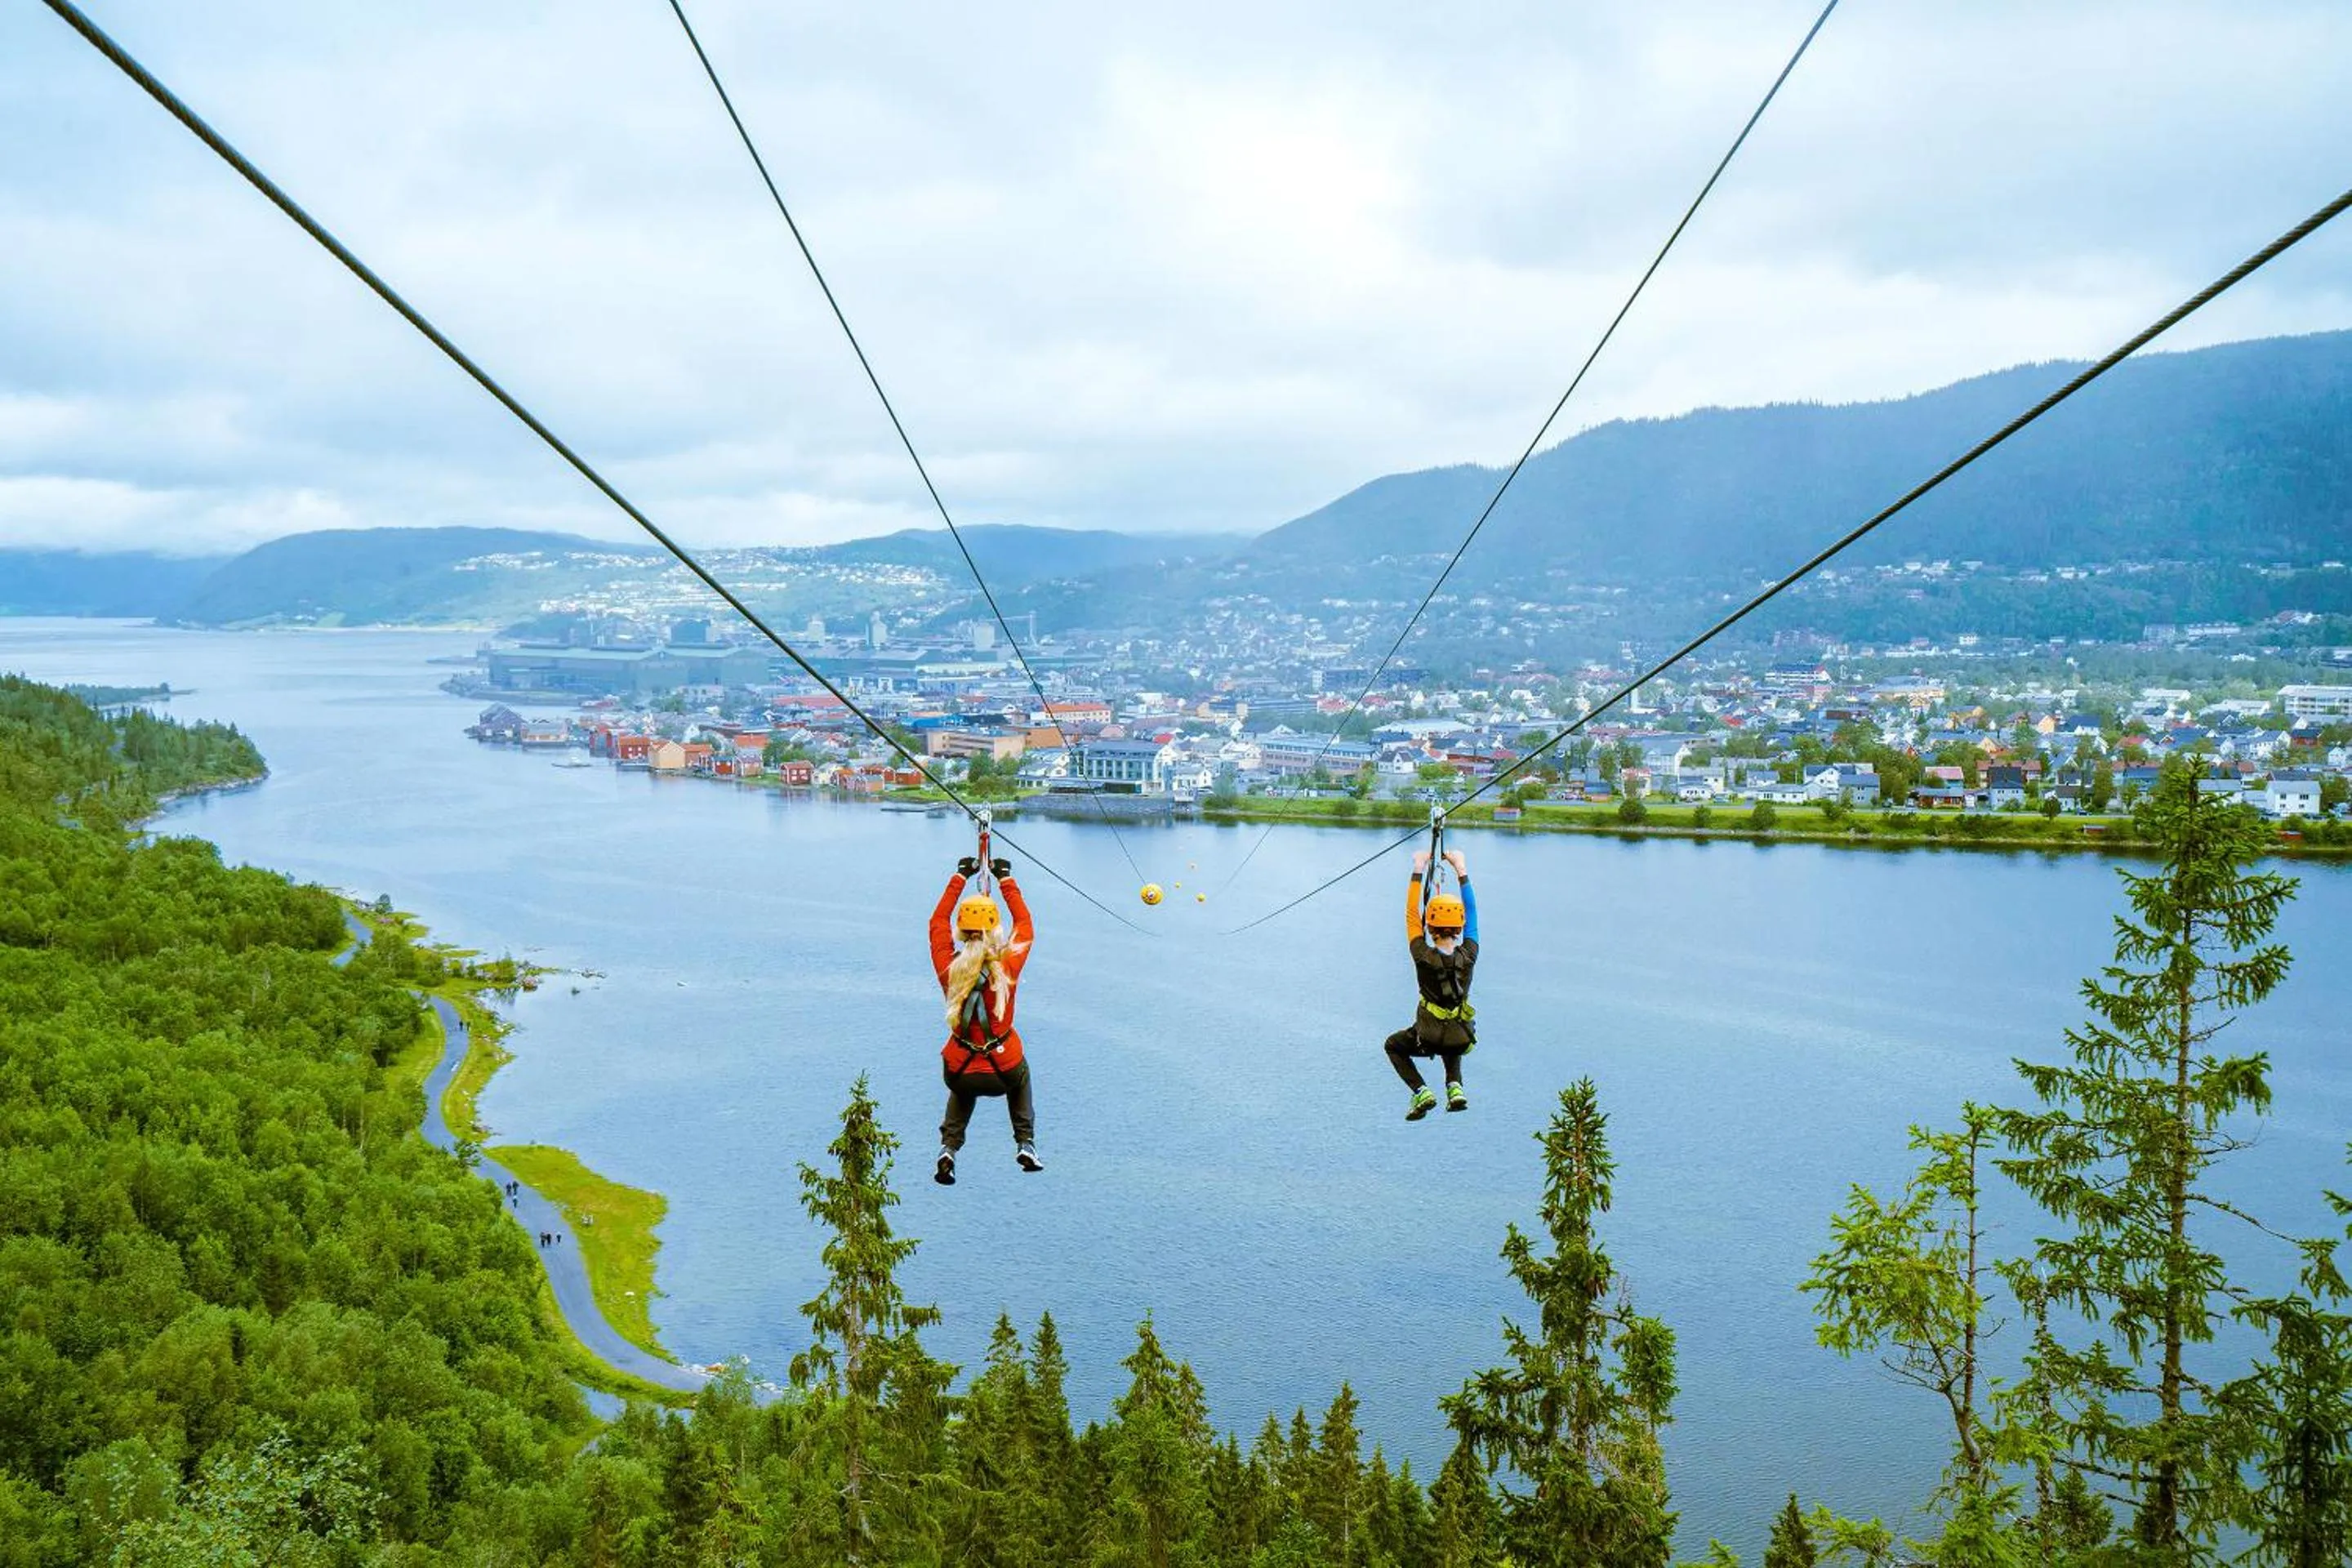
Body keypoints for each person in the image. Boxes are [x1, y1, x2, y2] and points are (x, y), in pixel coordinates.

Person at [929, 852, 1042, 1183]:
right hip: (1003, 1069)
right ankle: (1026, 1142)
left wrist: (959, 877)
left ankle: (949, 1147)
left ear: (962, 932)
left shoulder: (949, 969)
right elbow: (1025, 925)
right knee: (1021, 1077)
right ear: (994, 930)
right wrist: (1005, 879)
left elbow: (937, 924)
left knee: (963, 1087)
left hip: (959, 1069)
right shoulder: (1006, 968)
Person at [1384, 847, 1478, 1120]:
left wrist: (1418, 868)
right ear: (1459, 926)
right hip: (1460, 1038)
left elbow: (1411, 914)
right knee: (1453, 1026)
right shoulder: (1470, 954)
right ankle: (1454, 1085)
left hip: (1426, 1037)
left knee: (1393, 1045)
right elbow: (1473, 913)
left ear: (1430, 925)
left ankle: (1421, 1091)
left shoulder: (1422, 955)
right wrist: (1461, 867)